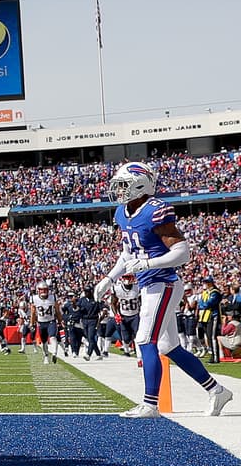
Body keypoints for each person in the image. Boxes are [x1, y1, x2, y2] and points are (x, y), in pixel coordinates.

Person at [92, 162, 231, 418]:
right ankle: (217, 390)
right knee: (168, 346)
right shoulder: (123, 212)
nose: (119, 190)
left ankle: (150, 403)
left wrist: (148, 263)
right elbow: (127, 254)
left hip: (163, 282)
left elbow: (182, 252)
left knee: (145, 339)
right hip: (149, 284)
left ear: (141, 185)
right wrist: (110, 278)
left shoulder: (155, 210)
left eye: (124, 185)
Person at [109, 269, 141, 356]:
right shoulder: (117, 289)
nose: (127, 279)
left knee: (137, 336)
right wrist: (116, 315)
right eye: (125, 277)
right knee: (126, 338)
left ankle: (139, 357)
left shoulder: (137, 288)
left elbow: (142, 301)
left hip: (135, 315)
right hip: (124, 316)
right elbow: (113, 303)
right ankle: (127, 350)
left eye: (128, 277)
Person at [30, 281, 62, 364]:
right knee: (44, 341)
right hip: (41, 322)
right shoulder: (34, 298)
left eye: (45, 289)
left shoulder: (53, 297)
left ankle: (54, 353)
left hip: (51, 321)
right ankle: (46, 356)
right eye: (42, 290)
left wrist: (60, 321)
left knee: (52, 337)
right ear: (38, 290)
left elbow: (57, 310)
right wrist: (32, 323)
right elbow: (33, 312)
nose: (43, 291)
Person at [197, 276, 222, 363]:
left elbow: (208, 304)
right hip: (204, 317)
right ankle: (212, 354)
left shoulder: (215, 293)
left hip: (212, 316)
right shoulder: (205, 293)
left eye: (206, 282)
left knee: (212, 337)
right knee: (208, 337)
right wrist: (202, 305)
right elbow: (200, 304)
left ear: (210, 283)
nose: (205, 284)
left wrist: (202, 305)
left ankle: (215, 357)